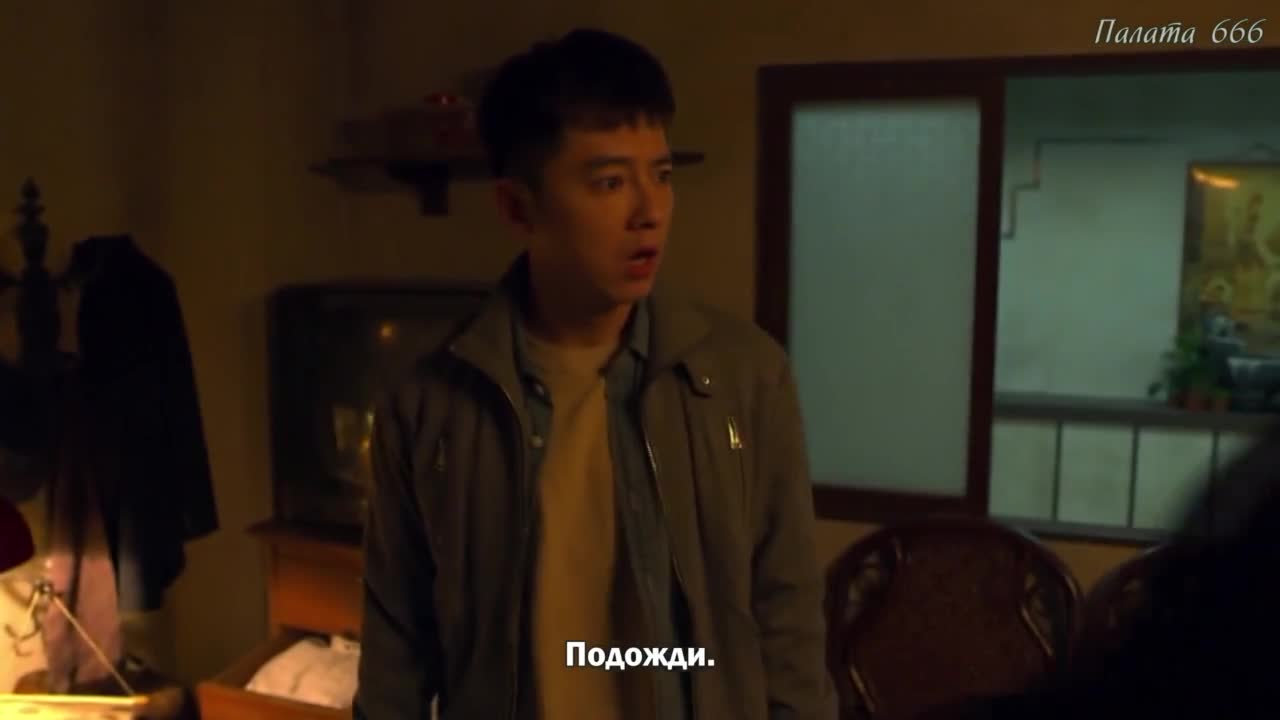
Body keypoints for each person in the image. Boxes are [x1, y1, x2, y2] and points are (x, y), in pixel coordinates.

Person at [353, 28, 835, 720]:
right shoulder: (431, 405)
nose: (650, 212)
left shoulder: (743, 377)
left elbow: (788, 622)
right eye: (610, 182)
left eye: (661, 175)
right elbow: (395, 655)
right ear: (517, 207)